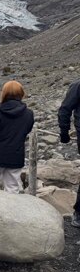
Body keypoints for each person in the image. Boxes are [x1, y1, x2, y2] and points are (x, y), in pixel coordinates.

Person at [0, 81, 35, 193]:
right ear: (21, 93)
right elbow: (27, 130)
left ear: (4, 93)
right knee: (12, 188)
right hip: (15, 155)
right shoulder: (29, 114)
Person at [58, 79, 80, 226]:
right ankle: (78, 212)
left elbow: (65, 109)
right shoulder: (78, 86)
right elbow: (65, 109)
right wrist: (64, 132)